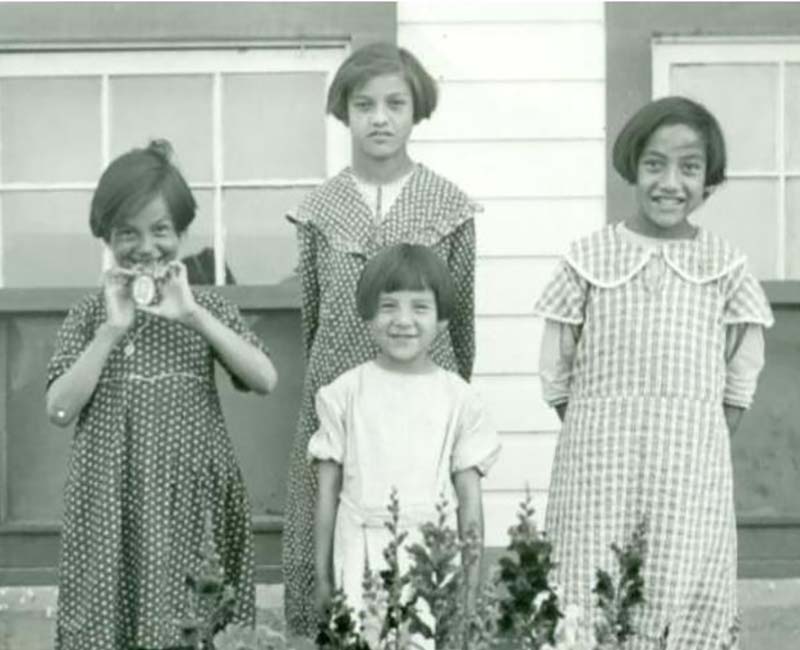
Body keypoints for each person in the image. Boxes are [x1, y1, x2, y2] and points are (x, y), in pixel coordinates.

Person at [534, 96, 774, 650]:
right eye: (655, 165)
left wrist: (697, 432)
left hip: (689, 466)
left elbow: (743, 367)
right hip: (597, 461)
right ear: (632, 168)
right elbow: (556, 367)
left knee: (682, 572)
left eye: (689, 167)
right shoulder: (587, 258)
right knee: (588, 578)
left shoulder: (726, 266)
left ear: (709, 178)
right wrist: (600, 424)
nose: (671, 183)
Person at [46, 140, 278, 650]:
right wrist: (112, 328)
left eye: (161, 230)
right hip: (111, 505)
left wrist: (193, 313)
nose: (145, 247)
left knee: (192, 626)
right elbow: (59, 408)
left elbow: (264, 379)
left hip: (189, 505)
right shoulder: (89, 315)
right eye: (127, 232)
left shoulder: (204, 309)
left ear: (181, 234)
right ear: (105, 236)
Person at [283, 42, 479, 635]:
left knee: (423, 582)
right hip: (340, 403)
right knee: (337, 571)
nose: (379, 117)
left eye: (395, 103)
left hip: (421, 408)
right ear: (344, 112)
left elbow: (461, 321)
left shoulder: (449, 207)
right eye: (363, 104)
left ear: (416, 111)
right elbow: (311, 320)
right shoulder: (321, 210)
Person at [309, 244, 500, 639]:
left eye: (420, 307)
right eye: (388, 306)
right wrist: (323, 576)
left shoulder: (459, 400)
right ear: (367, 315)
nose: (403, 321)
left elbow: (470, 502)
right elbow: (327, 492)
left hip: (430, 560)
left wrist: (470, 584)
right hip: (359, 551)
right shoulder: (344, 394)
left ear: (443, 319)